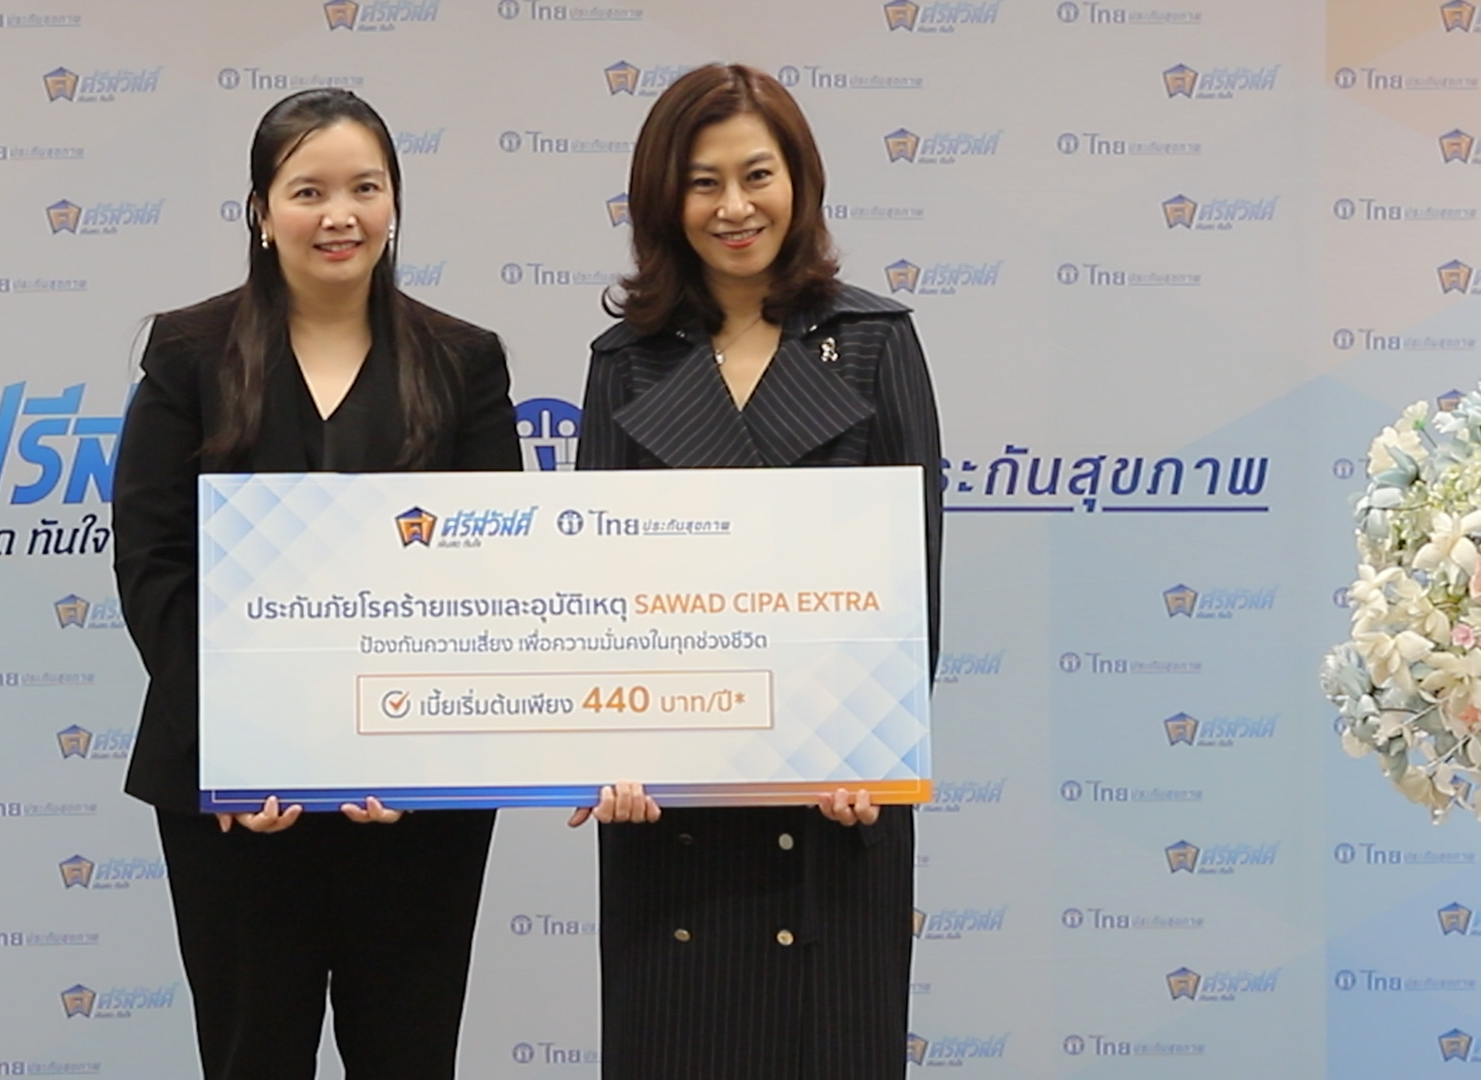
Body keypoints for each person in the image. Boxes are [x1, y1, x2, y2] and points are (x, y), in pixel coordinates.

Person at [112, 88, 520, 1080]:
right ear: (261, 210)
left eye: (365, 189)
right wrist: (239, 748)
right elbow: (154, 563)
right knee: (251, 1055)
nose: (340, 216)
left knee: (409, 1056)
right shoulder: (189, 354)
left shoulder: (463, 361)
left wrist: (417, 757)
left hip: (417, 804)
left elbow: (492, 572)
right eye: (309, 192)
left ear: (394, 203)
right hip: (237, 800)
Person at [570, 63, 943, 1080]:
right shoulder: (625, 363)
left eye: (757, 175)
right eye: (703, 182)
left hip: (834, 811)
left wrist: (874, 761)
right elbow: (599, 595)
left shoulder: (874, 343)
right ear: (664, 200)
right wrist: (606, 752)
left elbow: (912, 591)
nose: (734, 207)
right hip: (668, 818)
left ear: (799, 181)